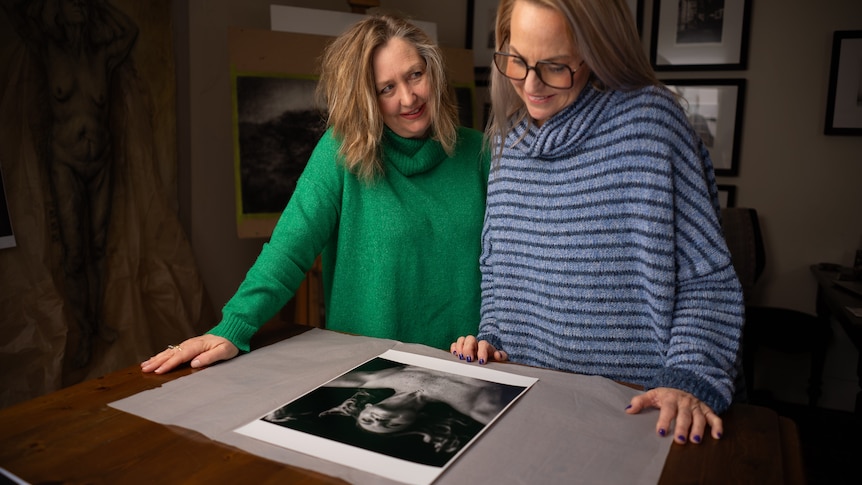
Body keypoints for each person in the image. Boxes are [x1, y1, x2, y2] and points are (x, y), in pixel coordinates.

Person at [449, 0, 744, 446]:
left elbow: (708, 283)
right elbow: (502, 274)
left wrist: (688, 377)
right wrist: (491, 339)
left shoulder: (650, 125)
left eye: (554, 66)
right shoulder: (508, 142)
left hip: (635, 415)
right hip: (525, 413)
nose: (530, 84)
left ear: (596, 52)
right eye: (516, 60)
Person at [142, 15, 489, 374]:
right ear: (366, 97)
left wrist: (494, 336)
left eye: (415, 74)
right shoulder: (342, 152)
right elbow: (289, 250)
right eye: (386, 88)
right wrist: (233, 327)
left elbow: (512, 266)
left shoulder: (480, 152)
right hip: (370, 376)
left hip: (466, 370)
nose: (409, 97)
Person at [1, 0, 139, 367]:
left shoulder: (102, 55)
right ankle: (81, 333)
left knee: (96, 246)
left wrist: (99, 7)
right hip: (64, 161)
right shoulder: (50, 48)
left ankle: (96, 324)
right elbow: (17, 16)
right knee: (74, 253)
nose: (78, 7)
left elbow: (130, 32)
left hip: (101, 163)